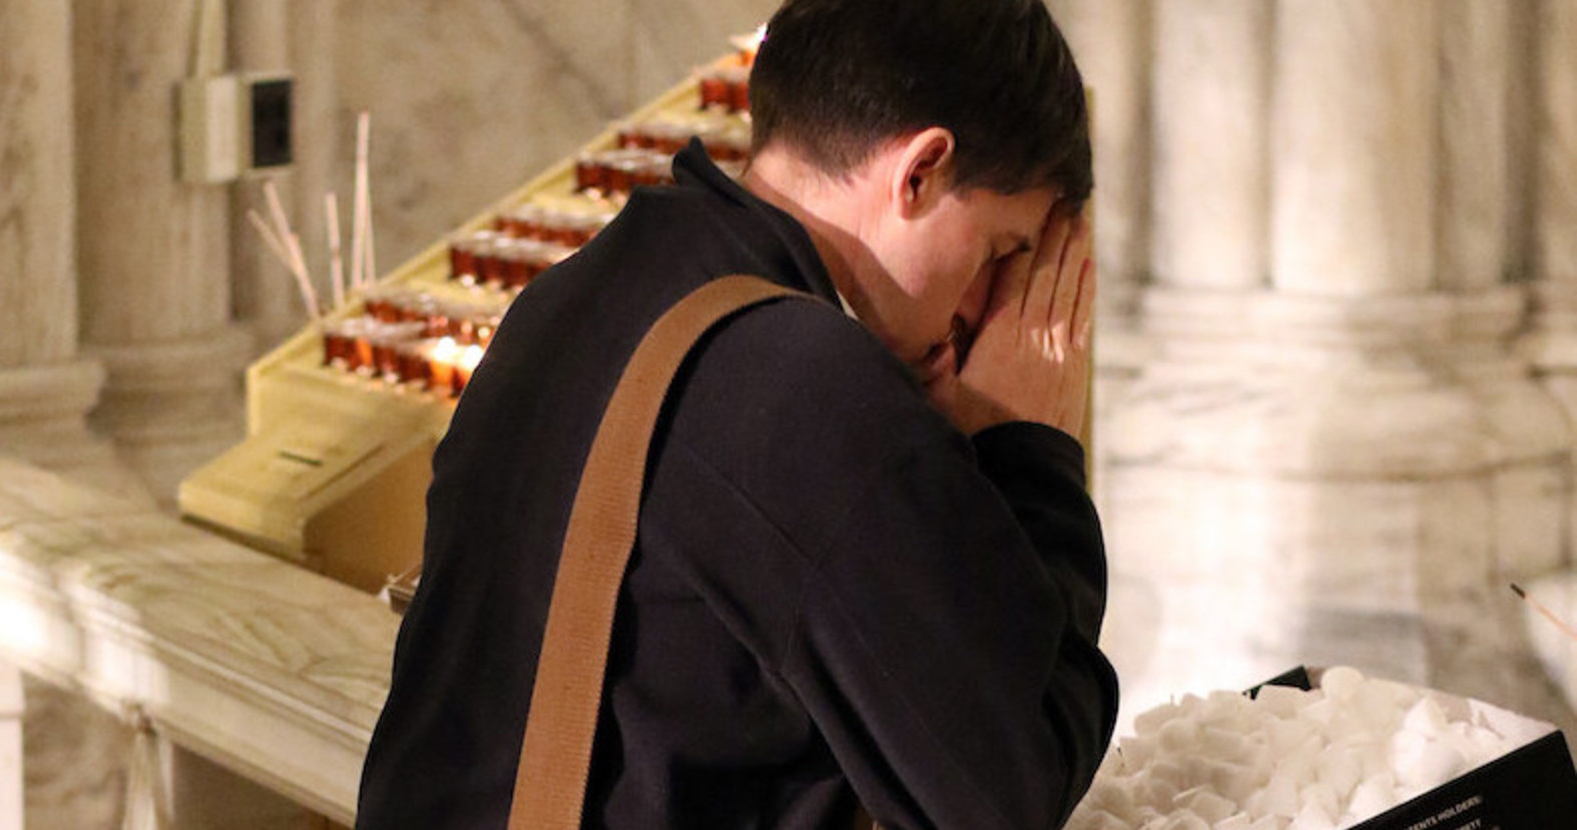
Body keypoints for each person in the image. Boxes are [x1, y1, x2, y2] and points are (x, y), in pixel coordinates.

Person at [356, 0, 1117, 826]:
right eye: (1000, 253)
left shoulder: (581, 285)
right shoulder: (809, 387)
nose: (984, 311)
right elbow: (1009, 789)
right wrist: (1030, 449)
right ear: (921, 171)